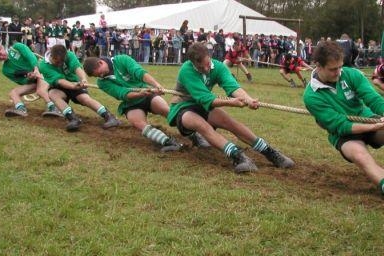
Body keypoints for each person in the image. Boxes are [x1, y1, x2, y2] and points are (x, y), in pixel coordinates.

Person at [166, 42, 294, 173]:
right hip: (182, 109)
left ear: (209, 56)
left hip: (202, 107)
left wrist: (248, 99)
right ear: (192, 63)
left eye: (207, 64)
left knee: (229, 122)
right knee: (202, 125)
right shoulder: (186, 70)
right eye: (200, 67)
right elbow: (205, 98)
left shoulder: (219, 66)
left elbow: (232, 86)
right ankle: (239, 157)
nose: (206, 69)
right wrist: (231, 102)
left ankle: (270, 152)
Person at [303, 41, 384, 196]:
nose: (338, 72)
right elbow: (341, 125)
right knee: (360, 155)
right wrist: (373, 127)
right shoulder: (311, 96)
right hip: (344, 135)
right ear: (318, 66)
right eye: (333, 69)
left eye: (340, 66)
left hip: (367, 119)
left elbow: (374, 99)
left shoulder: (351, 74)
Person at [83, 55, 197, 152]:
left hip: (147, 93)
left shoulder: (122, 59)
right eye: (98, 76)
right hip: (131, 103)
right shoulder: (102, 83)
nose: (101, 76)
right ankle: (168, 142)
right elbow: (121, 94)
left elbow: (139, 72)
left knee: (166, 110)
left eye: (100, 73)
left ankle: (195, 135)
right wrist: (140, 94)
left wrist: (156, 85)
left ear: (100, 62)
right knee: (137, 122)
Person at [39, 45, 121, 131]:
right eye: (57, 62)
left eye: (62, 61)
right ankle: (73, 119)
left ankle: (109, 117)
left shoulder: (69, 55)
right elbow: (60, 81)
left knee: (84, 99)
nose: (60, 64)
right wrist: (72, 86)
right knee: (53, 94)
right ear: (52, 56)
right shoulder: (43, 65)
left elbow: (77, 68)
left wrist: (84, 80)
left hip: (74, 82)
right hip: (60, 86)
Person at [0, 43, 62, 117]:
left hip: (44, 72)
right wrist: (29, 78)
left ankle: (54, 108)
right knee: (13, 93)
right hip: (34, 81)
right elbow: (22, 81)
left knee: (40, 90)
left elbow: (31, 56)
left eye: (0, 54)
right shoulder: (5, 70)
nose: (1, 57)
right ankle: (21, 109)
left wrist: (36, 69)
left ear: (2, 47)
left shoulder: (17, 47)